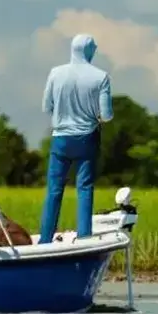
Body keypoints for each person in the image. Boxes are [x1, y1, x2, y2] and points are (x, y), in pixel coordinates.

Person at [38, 33, 113, 244]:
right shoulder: (101, 77)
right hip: (86, 139)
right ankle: (84, 236)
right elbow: (106, 115)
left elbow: (46, 107)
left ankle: (45, 239)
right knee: (85, 188)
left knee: (54, 189)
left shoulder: (55, 73)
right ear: (89, 50)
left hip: (60, 139)